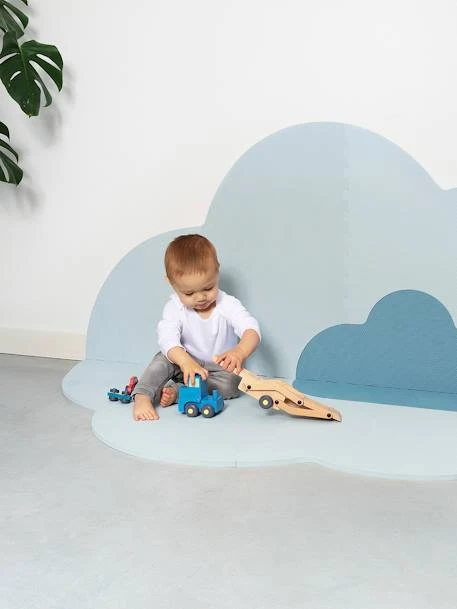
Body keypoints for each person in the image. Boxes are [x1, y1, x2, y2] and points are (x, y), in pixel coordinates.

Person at [132, 234, 261, 421]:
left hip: (217, 369)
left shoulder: (227, 304)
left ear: (217, 273)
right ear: (172, 283)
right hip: (183, 362)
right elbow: (168, 339)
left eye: (208, 288)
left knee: (232, 384)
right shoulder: (174, 308)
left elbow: (251, 329)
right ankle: (143, 395)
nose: (200, 298)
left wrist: (240, 352)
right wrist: (184, 362)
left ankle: (179, 392)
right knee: (161, 362)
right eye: (189, 293)